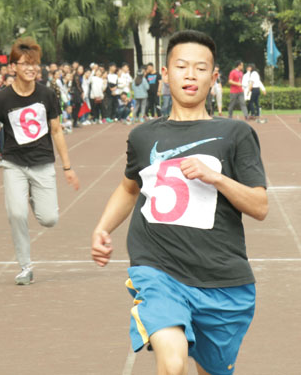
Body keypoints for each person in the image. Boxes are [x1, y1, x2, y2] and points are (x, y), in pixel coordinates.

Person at [91, 30, 268, 375]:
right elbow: (129, 189)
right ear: (165, 74)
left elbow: (260, 206)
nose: (190, 75)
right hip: (158, 270)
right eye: (182, 66)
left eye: (201, 68)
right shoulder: (143, 136)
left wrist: (216, 177)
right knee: (172, 364)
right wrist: (102, 228)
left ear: (214, 78)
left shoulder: (236, 134)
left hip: (222, 280)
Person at [0, 37, 79, 285]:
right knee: (16, 214)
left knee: (49, 219)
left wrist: (67, 167)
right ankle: (25, 266)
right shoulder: (1, 99)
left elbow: (57, 130)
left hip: (42, 163)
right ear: (13, 67)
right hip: (14, 164)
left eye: (34, 64)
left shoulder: (47, 94)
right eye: (25, 64)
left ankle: (33, 195)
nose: (31, 68)